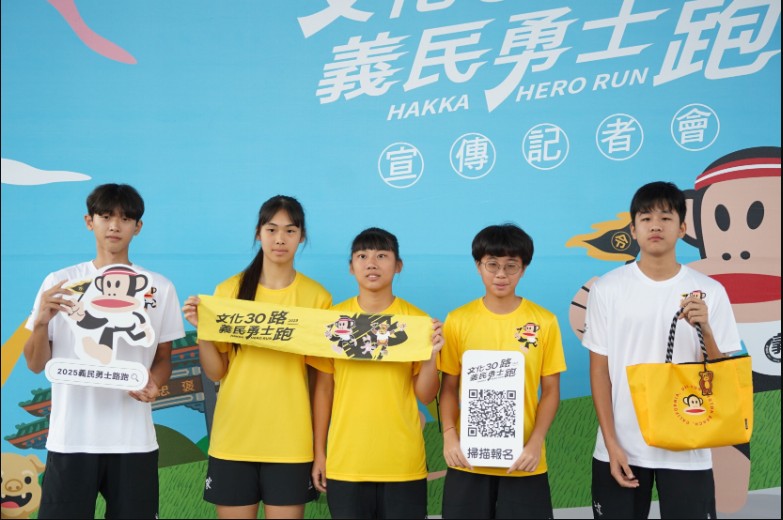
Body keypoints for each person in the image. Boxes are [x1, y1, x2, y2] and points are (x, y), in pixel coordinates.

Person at [23, 183, 185, 519]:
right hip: (70, 439)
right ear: (89, 221)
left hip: (133, 441)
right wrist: (40, 323)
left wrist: (155, 383)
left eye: (125, 218)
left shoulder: (159, 288)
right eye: (106, 216)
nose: (114, 226)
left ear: (137, 227)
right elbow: (36, 364)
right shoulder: (61, 283)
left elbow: (163, 359)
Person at [583, 181, 742, 519]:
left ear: (682, 228)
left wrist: (706, 329)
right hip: (623, 447)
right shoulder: (607, 289)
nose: (655, 225)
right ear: (633, 229)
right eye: (646, 218)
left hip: (688, 447)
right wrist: (611, 443)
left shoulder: (710, 291)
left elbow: (722, 374)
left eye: (666, 218)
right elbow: (599, 370)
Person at [182, 195, 331, 520]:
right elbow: (216, 371)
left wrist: (319, 451)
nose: (280, 239)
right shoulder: (229, 291)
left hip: (291, 443)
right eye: (271, 229)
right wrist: (203, 329)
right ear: (258, 233)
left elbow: (322, 383)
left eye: (290, 230)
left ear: (301, 236)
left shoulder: (317, 298)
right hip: (234, 439)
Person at [309, 227, 443, 519]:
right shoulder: (333, 322)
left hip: (403, 463)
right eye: (362, 256)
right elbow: (323, 390)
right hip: (346, 462)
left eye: (382, 256)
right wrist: (320, 453)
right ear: (351, 267)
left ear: (398, 266)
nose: (371, 263)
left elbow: (425, 394)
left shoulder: (416, 321)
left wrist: (431, 357)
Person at [438, 224, 567, 519]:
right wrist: (449, 436)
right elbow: (448, 388)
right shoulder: (457, 320)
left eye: (511, 266)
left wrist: (536, 443)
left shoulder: (544, 321)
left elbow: (551, 391)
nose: (501, 274)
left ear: (523, 269)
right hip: (467, 459)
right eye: (492, 264)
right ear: (478, 266)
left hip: (523, 460)